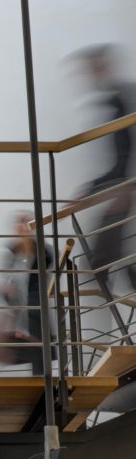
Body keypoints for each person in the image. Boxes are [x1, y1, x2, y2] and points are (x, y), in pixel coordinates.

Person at [74, 44, 136, 291]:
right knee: (104, 257)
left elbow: (125, 152)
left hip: (127, 185)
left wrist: (123, 187)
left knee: (101, 258)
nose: (93, 73)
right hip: (124, 184)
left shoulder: (122, 100)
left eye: (95, 67)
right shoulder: (117, 99)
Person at [0, 212, 55, 376]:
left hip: (35, 305)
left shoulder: (42, 249)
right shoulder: (11, 251)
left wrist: (29, 244)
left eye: (27, 222)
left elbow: (50, 270)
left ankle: (42, 381)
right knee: (23, 347)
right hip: (17, 306)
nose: (24, 226)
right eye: (21, 222)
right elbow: (2, 282)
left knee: (39, 346)